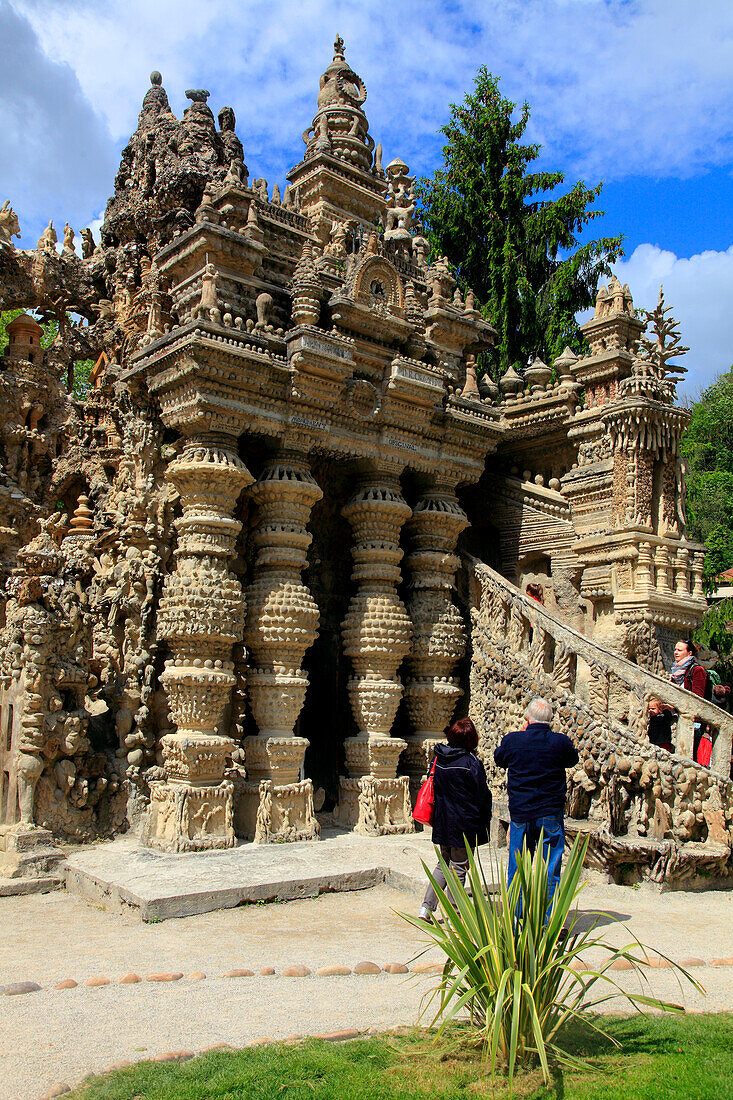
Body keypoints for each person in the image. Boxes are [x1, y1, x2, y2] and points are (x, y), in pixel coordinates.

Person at [494, 698, 578, 907]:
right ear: (550, 721)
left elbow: (499, 758)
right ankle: (548, 921)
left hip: (521, 812)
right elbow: (572, 760)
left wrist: (523, 732)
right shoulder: (560, 742)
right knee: (551, 868)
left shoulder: (513, 740)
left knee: (517, 867)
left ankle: (516, 920)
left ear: (527, 719)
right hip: (550, 811)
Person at [418, 717, 492, 921]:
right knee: (459, 866)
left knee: (443, 864)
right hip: (463, 822)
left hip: (443, 820)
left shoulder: (438, 759)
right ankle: (456, 913)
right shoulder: (471, 763)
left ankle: (426, 908)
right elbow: (481, 794)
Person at [670, 639, 709, 762]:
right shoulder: (676, 671)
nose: (676, 652)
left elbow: (698, 697)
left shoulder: (697, 670)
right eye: (675, 649)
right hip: (676, 718)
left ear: (689, 653)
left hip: (694, 721)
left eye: (680, 650)